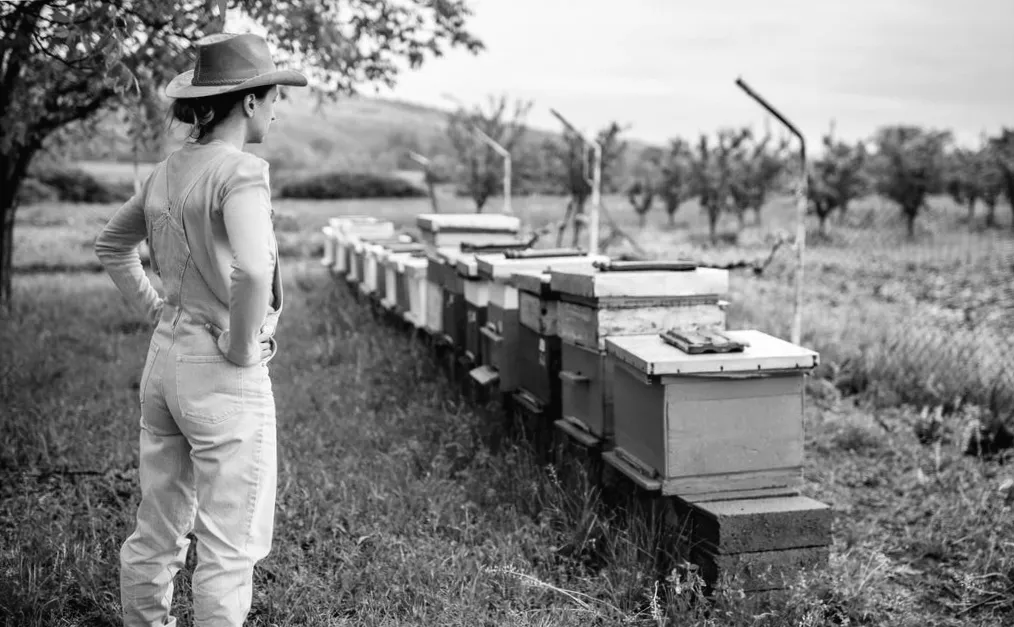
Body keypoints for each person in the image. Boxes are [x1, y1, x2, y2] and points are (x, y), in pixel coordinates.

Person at [94, 32, 307, 626]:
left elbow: (112, 245)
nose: (275, 108)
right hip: (219, 373)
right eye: (272, 97)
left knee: (156, 530)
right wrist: (241, 347)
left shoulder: (167, 170)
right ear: (248, 102)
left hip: (164, 363)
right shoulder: (241, 171)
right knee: (228, 549)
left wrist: (156, 307)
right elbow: (254, 267)